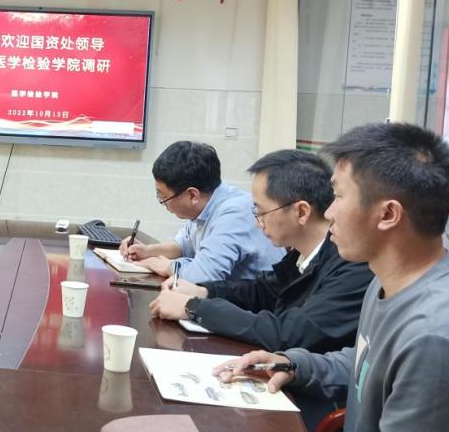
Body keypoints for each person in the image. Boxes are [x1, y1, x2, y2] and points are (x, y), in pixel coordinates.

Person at [215, 124, 449, 432]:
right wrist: (294, 363)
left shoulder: (437, 336)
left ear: (388, 214)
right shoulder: (390, 281)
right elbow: (366, 362)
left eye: (338, 196)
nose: (330, 212)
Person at [149, 149, 373, 353]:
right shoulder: (302, 255)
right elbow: (261, 291)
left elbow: (289, 333)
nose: (257, 224)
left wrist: (193, 307)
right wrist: (202, 292)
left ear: (301, 212)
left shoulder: (351, 266)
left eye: (262, 212)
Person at [120, 141, 283, 281]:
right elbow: (184, 244)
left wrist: (170, 266)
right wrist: (148, 251)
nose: (163, 204)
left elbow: (203, 276)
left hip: (254, 305)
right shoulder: (209, 201)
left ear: (192, 195)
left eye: (163, 197)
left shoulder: (234, 213)